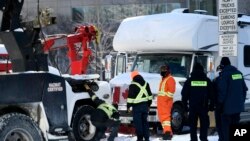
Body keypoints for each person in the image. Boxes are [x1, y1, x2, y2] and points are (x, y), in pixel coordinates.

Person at [216, 57, 248, 141]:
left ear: (222, 65)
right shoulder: (239, 73)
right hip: (238, 108)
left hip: (227, 109)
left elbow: (222, 92)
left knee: (226, 130)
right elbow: (244, 89)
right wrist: (241, 101)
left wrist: (219, 104)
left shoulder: (225, 75)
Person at [181, 63, 214, 141]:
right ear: (202, 70)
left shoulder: (189, 81)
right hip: (203, 106)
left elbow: (184, 96)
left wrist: (185, 108)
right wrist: (211, 106)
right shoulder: (207, 81)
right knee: (204, 124)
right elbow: (212, 95)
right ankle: (204, 138)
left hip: (193, 107)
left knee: (193, 125)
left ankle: (193, 139)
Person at [127, 71, 153, 141]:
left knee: (138, 123)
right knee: (145, 122)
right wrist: (149, 104)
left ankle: (140, 138)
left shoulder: (132, 85)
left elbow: (130, 98)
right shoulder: (146, 84)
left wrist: (128, 107)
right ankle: (147, 138)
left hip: (137, 107)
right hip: (145, 106)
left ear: (133, 77)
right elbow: (150, 96)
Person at [157, 65, 176, 140]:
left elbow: (171, 92)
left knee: (166, 118)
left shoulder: (170, 79)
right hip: (162, 103)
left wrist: (164, 99)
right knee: (162, 118)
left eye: (164, 70)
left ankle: (167, 133)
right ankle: (168, 132)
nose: (162, 71)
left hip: (166, 103)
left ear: (168, 70)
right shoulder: (164, 79)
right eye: (162, 69)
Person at [212, 65, 223, 141]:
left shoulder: (215, 80)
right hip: (224, 105)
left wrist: (212, 105)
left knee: (219, 123)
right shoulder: (227, 79)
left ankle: (221, 137)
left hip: (218, 105)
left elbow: (212, 93)